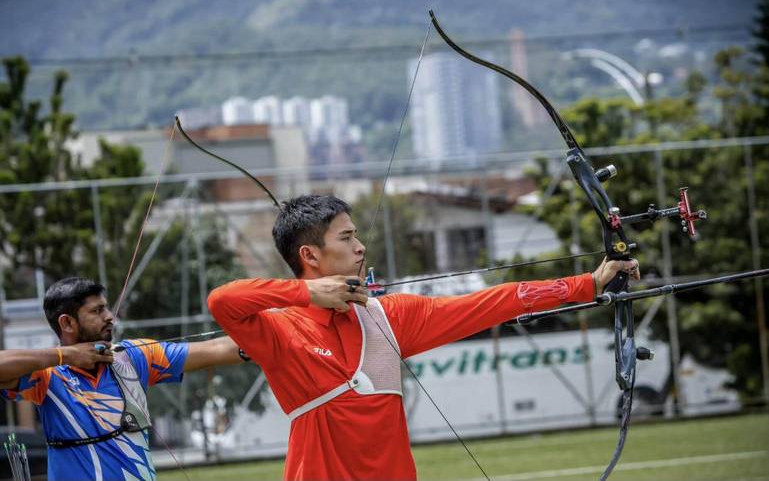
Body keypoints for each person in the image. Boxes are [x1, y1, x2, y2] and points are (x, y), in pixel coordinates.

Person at [207, 194, 641, 481]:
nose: (360, 247)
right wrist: (306, 293)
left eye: (357, 235)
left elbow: (496, 302)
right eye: (347, 237)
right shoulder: (279, 330)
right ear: (310, 256)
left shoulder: (389, 317)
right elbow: (223, 300)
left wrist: (588, 284)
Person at [0, 277, 246, 481]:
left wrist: (274, 333)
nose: (110, 316)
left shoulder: (135, 357)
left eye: (106, 307)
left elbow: (218, 349)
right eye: (97, 311)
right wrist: (66, 355)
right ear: (67, 323)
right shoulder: (46, 376)